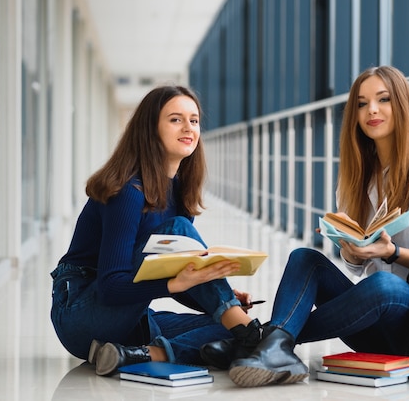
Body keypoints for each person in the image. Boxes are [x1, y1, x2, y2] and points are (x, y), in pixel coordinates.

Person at [203, 65, 409, 387]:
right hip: (366, 324)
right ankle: (273, 344)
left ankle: (257, 341)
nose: (372, 110)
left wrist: (392, 252)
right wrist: (353, 250)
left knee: (388, 286)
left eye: (383, 99)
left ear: (403, 106)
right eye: (361, 103)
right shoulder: (356, 180)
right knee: (305, 257)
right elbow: (356, 269)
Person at [50, 85, 265, 377]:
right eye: (176, 119)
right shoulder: (128, 190)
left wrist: (213, 290)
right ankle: (250, 333)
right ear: (151, 129)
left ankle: (134, 355)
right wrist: (175, 286)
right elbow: (113, 287)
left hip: (130, 321)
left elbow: (173, 274)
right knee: (180, 230)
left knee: (222, 328)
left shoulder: (179, 193)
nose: (188, 127)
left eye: (194, 120)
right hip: (82, 316)